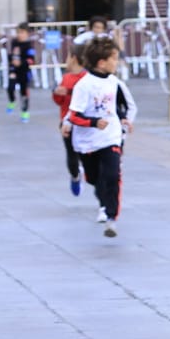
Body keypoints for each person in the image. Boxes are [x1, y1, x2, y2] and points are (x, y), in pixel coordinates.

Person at [65, 35, 135, 237]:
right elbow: (75, 114)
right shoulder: (84, 86)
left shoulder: (114, 82)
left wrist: (122, 119)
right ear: (101, 62)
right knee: (95, 178)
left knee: (113, 175)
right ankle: (98, 191)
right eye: (114, 59)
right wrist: (91, 122)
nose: (117, 63)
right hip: (87, 140)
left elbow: (114, 106)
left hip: (110, 136)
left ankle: (111, 217)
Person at [52, 51, 89, 197]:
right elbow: (59, 101)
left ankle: (89, 171)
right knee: (71, 153)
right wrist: (57, 93)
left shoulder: (87, 78)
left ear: (74, 58)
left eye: (67, 57)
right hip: (67, 123)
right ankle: (75, 175)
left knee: (85, 153)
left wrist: (67, 91)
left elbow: (86, 96)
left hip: (84, 122)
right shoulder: (65, 78)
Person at [6, 24, 37, 120]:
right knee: (10, 87)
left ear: (27, 34)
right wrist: (12, 60)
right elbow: (11, 55)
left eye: (22, 32)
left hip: (24, 72)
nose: (20, 35)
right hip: (14, 70)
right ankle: (12, 100)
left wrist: (21, 63)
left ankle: (24, 111)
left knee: (24, 93)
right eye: (18, 32)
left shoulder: (29, 46)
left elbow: (31, 60)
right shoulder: (14, 42)